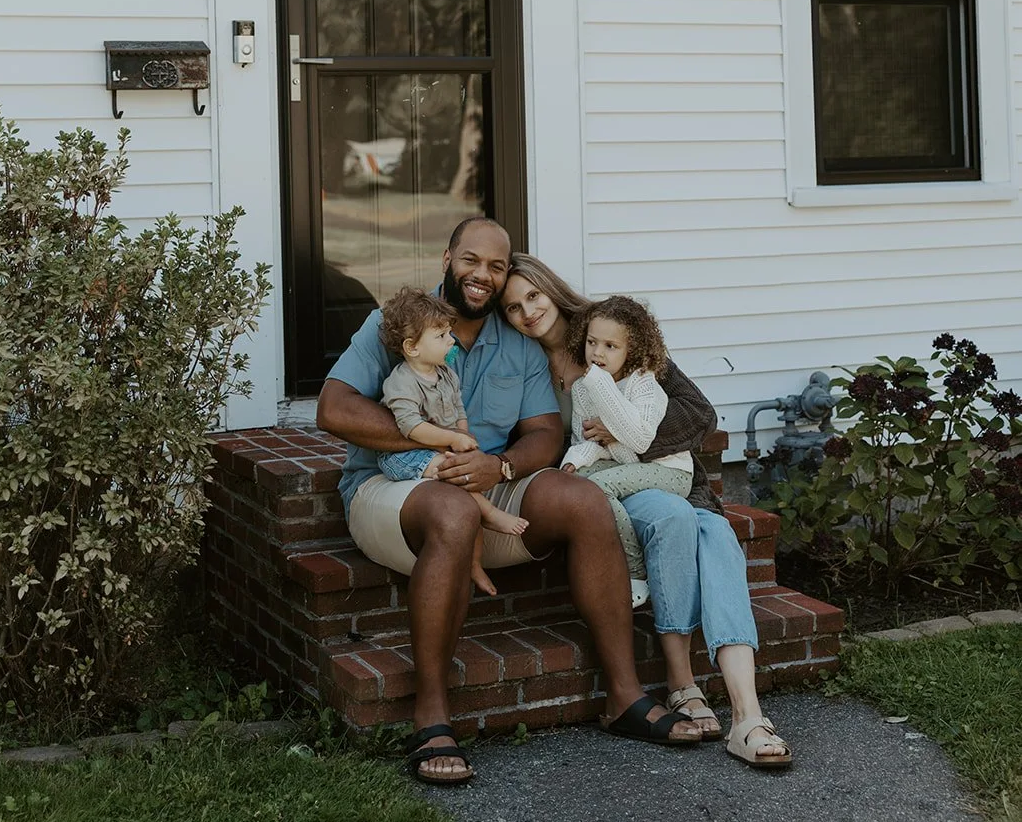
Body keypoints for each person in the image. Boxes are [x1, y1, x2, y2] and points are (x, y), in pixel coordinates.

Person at [316, 217, 702, 786]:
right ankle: (432, 718)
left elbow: (545, 434)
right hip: (395, 489)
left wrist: (498, 466)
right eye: (472, 260)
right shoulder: (392, 323)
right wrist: (444, 446)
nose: (483, 275)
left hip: (491, 486)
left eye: (497, 267)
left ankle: (622, 696)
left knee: (583, 499)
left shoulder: (516, 345)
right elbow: (334, 409)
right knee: (453, 510)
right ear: (446, 259)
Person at [502, 253, 792, 769]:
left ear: (551, 288)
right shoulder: (517, 363)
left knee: (719, 536)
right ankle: (682, 684)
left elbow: (697, 413)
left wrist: (624, 432)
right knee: (672, 520)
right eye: (512, 307)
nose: (527, 311)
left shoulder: (614, 333)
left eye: (533, 295)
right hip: (600, 492)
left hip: (663, 478)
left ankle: (748, 715)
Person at [376, 285, 528, 597]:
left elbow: (457, 406)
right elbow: (411, 428)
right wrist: (452, 440)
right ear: (412, 347)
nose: (451, 341)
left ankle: (474, 560)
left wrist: (463, 430)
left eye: (449, 333)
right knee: (456, 474)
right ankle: (491, 514)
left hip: (440, 446)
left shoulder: (445, 372)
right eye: (441, 336)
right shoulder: (402, 381)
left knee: (463, 475)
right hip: (403, 456)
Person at [560, 294, 693, 609]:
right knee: (576, 482)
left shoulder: (643, 384)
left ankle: (634, 571)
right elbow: (587, 440)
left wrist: (599, 383)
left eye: (610, 346)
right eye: (592, 342)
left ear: (631, 350)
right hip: (626, 465)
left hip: (669, 471)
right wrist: (574, 461)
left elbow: (640, 441)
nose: (597, 353)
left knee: (598, 487)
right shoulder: (583, 388)